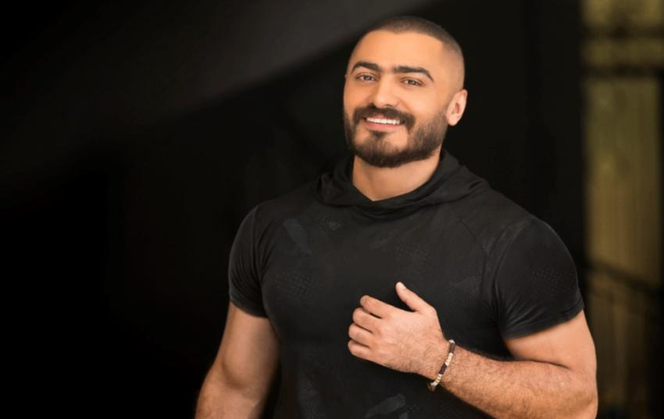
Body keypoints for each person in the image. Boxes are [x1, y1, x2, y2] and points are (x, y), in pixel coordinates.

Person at [196, 15, 597, 419]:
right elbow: (236, 387)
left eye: (411, 81)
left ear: (455, 107)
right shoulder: (272, 226)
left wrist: (436, 359)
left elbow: (577, 405)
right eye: (366, 77)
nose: (381, 97)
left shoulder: (515, 241)